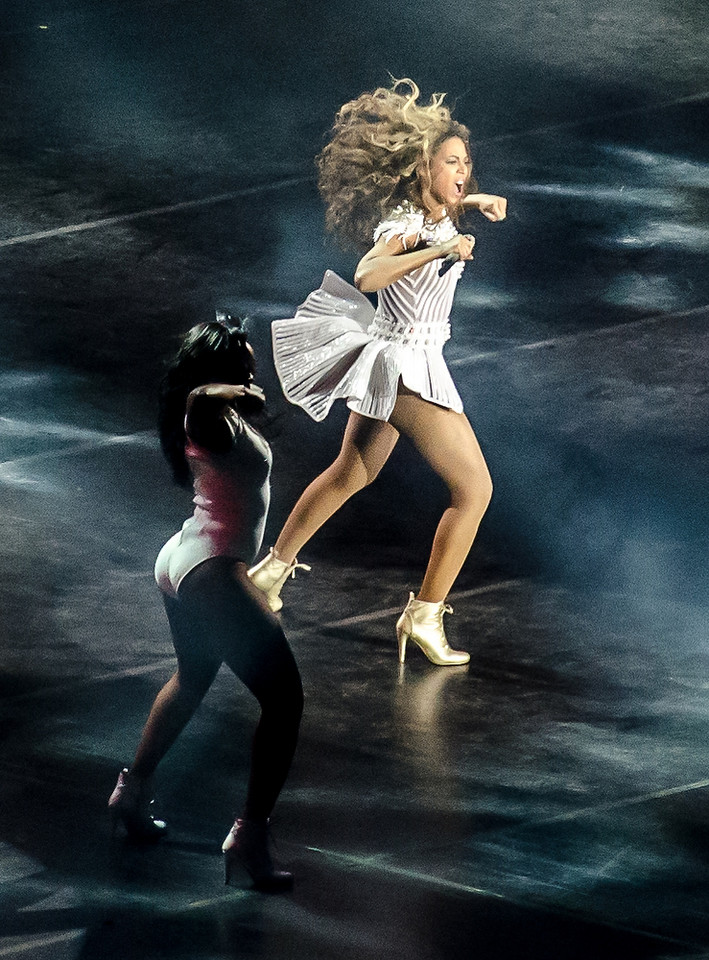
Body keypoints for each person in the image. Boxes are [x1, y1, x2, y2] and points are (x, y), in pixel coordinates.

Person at [248, 79, 507, 667]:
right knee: (474, 491)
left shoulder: (438, 212)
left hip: (397, 357)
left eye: (467, 162)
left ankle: (270, 571)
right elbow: (368, 274)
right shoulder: (409, 226)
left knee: (352, 470)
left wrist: (473, 202)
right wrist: (440, 250)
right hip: (406, 367)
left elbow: (440, 213)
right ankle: (423, 614)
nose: (463, 170)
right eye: (452, 163)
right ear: (423, 167)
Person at [107, 318, 303, 893]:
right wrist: (228, 392)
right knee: (285, 700)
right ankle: (249, 838)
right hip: (210, 568)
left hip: (187, 556)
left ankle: (130, 792)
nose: (251, 373)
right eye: (239, 366)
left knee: (193, 678)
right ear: (213, 375)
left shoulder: (220, 415)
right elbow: (197, 396)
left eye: (249, 364)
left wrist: (235, 394)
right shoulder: (206, 411)